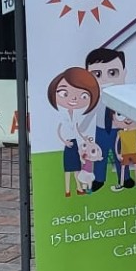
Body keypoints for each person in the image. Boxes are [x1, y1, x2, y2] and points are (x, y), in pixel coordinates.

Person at [47, 68, 100, 199]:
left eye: (83, 96)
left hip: (75, 143)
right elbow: (59, 130)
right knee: (67, 170)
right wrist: (64, 141)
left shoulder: (75, 116)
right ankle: (67, 190)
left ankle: (78, 187)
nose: (74, 99)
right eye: (65, 93)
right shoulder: (61, 116)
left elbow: (78, 130)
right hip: (68, 144)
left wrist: (85, 139)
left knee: (77, 168)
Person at [85, 43, 127, 191]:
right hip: (101, 130)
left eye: (113, 73)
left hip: (119, 131)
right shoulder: (96, 98)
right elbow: (90, 113)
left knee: (121, 155)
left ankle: (125, 178)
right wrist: (82, 128)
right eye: (97, 74)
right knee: (100, 156)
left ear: (124, 72)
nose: (105, 79)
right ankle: (99, 179)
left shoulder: (124, 99)